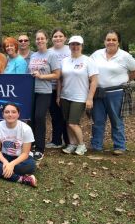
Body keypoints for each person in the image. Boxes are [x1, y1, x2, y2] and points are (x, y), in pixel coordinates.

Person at [90, 30, 135, 155]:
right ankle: (96, 145)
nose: (111, 42)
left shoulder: (124, 56)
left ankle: (119, 146)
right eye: (108, 39)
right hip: (98, 92)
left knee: (116, 120)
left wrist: (126, 79)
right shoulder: (97, 54)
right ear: (104, 41)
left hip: (117, 93)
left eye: (114, 40)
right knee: (98, 120)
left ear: (118, 42)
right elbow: (89, 69)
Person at [57, 36, 98, 155]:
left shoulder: (87, 60)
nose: (75, 47)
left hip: (80, 97)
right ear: (69, 46)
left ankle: (81, 145)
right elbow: (60, 80)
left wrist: (90, 98)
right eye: (72, 44)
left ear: (82, 46)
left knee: (73, 123)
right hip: (65, 96)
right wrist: (58, 96)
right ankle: (72, 144)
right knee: (67, 122)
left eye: (77, 44)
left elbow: (94, 80)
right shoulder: (65, 61)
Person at [0, 103, 37, 187]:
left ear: (18, 114)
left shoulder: (26, 129)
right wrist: (5, 162)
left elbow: (25, 153)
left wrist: (12, 164)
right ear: (3, 114)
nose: (10, 114)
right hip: (5, 156)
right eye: (7, 112)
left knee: (31, 166)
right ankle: (21, 179)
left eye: (13, 112)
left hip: (20, 159)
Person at [28, 30, 60, 161]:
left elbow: (57, 74)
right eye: (37, 39)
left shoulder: (51, 55)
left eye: (42, 38)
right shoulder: (33, 55)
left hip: (45, 91)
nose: (39, 41)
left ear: (46, 40)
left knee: (40, 117)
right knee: (31, 119)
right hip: (31, 91)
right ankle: (31, 145)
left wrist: (42, 76)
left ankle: (40, 148)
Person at [46, 28, 71, 149]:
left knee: (66, 116)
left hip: (68, 88)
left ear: (65, 38)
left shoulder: (70, 50)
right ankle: (56, 140)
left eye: (60, 36)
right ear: (51, 39)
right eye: (55, 36)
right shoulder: (48, 51)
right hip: (51, 88)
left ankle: (69, 141)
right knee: (55, 115)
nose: (58, 38)